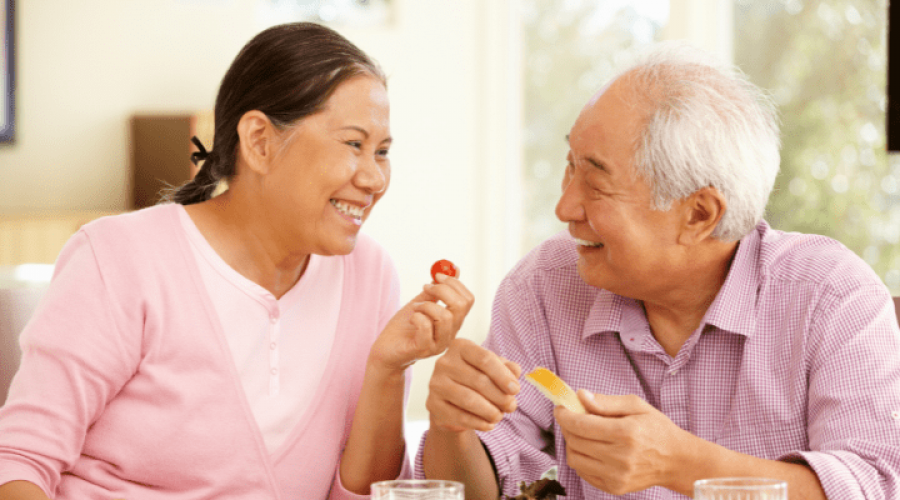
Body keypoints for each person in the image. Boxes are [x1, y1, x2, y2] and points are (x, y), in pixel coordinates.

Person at [0, 22, 474, 500]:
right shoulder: (121, 258)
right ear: (260, 141)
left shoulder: (369, 275)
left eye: (384, 152)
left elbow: (361, 494)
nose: (374, 178)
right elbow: (18, 464)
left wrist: (387, 371)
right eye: (354, 144)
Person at [417, 41, 900, 499]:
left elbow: (872, 488)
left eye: (597, 183)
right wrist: (452, 426)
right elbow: (477, 489)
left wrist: (681, 464)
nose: (565, 208)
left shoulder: (832, 297)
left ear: (698, 215)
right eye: (570, 166)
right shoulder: (544, 288)